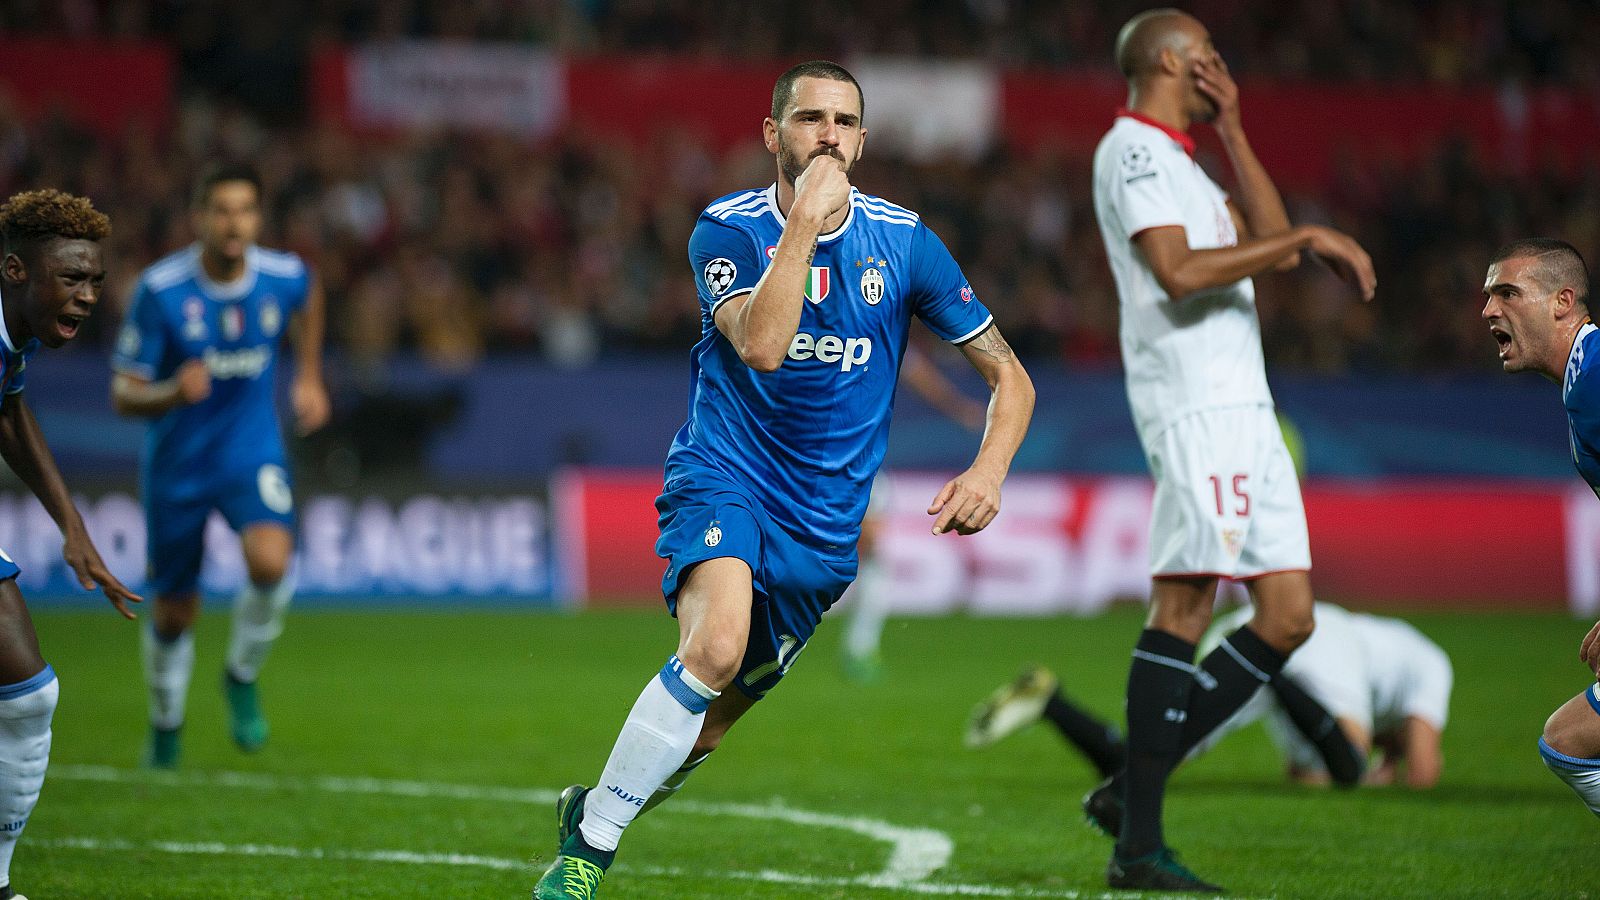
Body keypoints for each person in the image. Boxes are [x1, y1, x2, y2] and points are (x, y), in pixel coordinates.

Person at [534, 60, 1035, 899]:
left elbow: (1009, 376)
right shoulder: (724, 231)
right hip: (726, 474)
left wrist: (989, 468)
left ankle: (592, 810)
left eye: (843, 122)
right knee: (715, 649)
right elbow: (763, 347)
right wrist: (803, 222)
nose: (828, 136)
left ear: (864, 140)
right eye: (809, 119)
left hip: (824, 525)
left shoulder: (906, 241)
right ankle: (589, 853)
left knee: (707, 728)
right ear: (774, 135)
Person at [1090, 9, 1375, 891]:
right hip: (1195, 402)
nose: (1221, 62)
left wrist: (1238, 131)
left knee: (1288, 613)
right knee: (1183, 605)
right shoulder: (1133, 153)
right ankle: (1138, 846)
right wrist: (1303, 236)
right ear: (1173, 59)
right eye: (1208, 51)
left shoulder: (1186, 160)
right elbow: (1176, 274)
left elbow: (1272, 250)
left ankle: (1128, 793)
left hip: (1246, 406)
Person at [110, 163, 329, 768]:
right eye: (221, 210)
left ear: (258, 218)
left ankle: (239, 675)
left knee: (270, 560)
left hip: (250, 447)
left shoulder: (284, 276)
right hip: (177, 464)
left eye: (245, 210)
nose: (234, 223)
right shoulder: (160, 292)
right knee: (176, 612)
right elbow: (124, 394)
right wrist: (171, 393)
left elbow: (310, 299)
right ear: (199, 218)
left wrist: (308, 374)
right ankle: (166, 723)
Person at [0, 188, 143, 900]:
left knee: (25, 698)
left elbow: (8, 409)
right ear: (17, 271)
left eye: (95, 280)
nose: (87, 296)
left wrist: (73, 527)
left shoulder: (9, 338)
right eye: (72, 278)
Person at [967, 602, 1452, 793]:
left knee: (1147, 763)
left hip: (1247, 629)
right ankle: (1269, 669)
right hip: (1318, 640)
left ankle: (1050, 702)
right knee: (1349, 765)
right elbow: (1425, 775)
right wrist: (1386, 773)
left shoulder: (1381, 668)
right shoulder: (1432, 666)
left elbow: (1303, 775)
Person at [1480, 237, 1600, 819]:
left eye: (1507, 292)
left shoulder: (1594, 375)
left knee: (1571, 742)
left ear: (1562, 301)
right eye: (1487, 296)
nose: (1488, 310)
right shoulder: (1583, 378)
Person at [840, 345, 987, 683]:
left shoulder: (882, 329)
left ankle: (859, 647)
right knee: (840, 551)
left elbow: (920, 373)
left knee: (873, 550)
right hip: (811, 457)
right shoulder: (819, 329)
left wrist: (959, 407)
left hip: (862, 460)